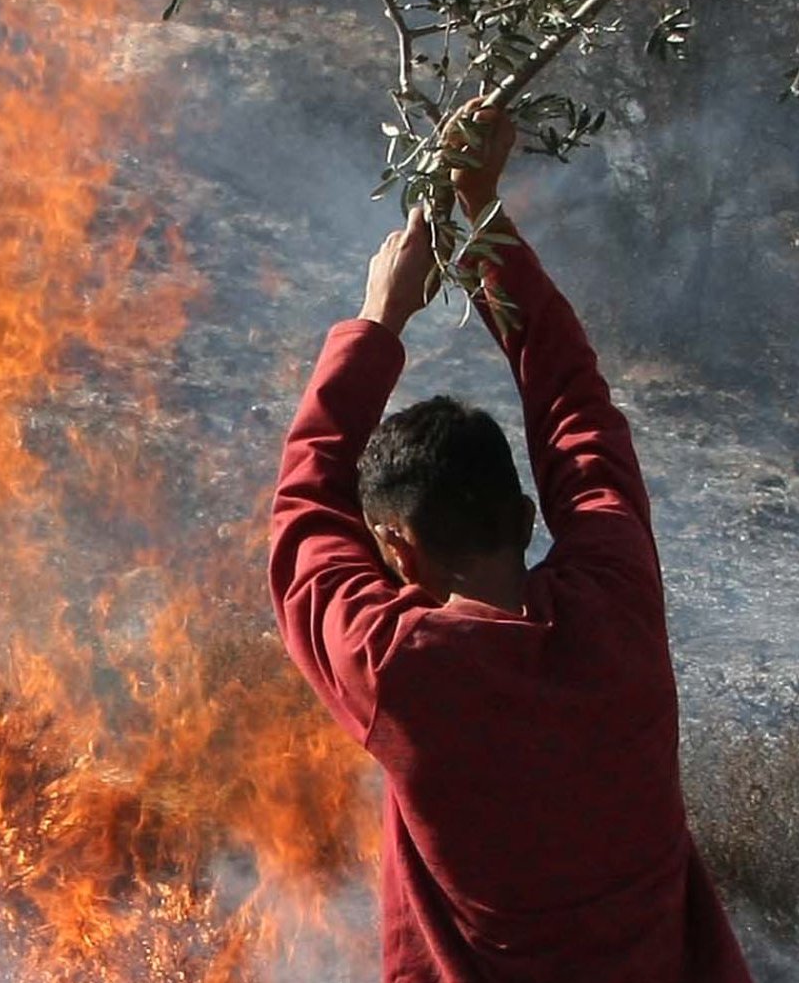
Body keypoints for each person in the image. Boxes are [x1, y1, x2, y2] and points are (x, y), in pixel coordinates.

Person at [269, 104, 753, 982]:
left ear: (396, 548)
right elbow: (575, 409)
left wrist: (381, 316)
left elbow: (303, 508)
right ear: (527, 517)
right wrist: (481, 216)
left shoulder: (401, 668)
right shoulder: (618, 606)